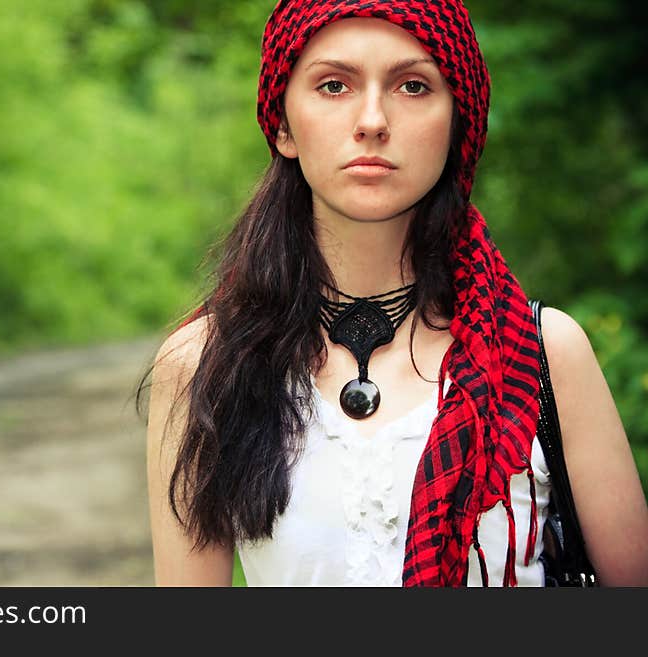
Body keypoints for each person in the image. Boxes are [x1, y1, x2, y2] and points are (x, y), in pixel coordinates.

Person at [142, 0, 648, 586]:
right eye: (334, 85)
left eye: (412, 86)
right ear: (282, 124)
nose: (373, 120)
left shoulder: (542, 353)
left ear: (458, 121)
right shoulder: (203, 363)